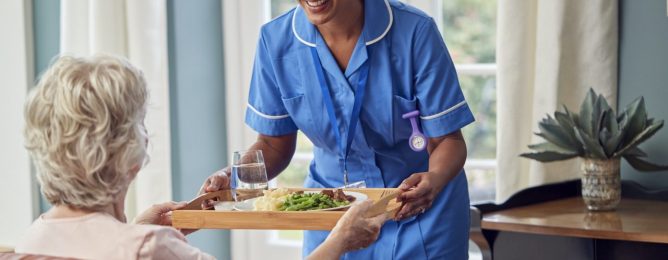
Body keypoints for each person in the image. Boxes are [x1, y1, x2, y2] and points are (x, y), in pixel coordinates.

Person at [16, 55, 387, 259]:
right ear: (127, 153)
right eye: (139, 123)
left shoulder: (32, 239)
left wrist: (136, 229)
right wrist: (339, 241)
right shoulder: (151, 250)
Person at [201, 0, 475, 258]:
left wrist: (435, 178)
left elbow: (447, 140)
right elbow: (274, 144)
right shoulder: (275, 41)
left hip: (417, 210)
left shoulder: (415, 31)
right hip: (332, 213)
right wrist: (232, 177)